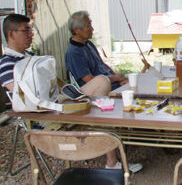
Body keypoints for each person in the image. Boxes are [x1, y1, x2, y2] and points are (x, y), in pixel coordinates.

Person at [0, 14, 141, 172]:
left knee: (102, 83)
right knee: (102, 112)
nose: (31, 34)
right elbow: (26, 99)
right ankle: (112, 161)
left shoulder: (31, 57)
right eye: (26, 30)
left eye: (31, 30)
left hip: (58, 100)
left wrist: (71, 94)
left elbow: (54, 84)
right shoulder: (7, 64)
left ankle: (99, 121)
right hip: (43, 112)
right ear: (12, 34)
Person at [65, 11, 129, 91]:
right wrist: (116, 78)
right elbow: (90, 80)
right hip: (102, 91)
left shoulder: (88, 43)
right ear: (77, 30)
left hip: (113, 83)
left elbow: (102, 64)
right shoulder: (74, 53)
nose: (92, 29)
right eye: (88, 26)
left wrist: (119, 77)